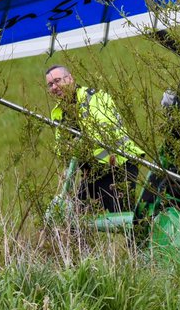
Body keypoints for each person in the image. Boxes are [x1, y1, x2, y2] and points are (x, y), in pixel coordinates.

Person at [45, 65, 145, 214]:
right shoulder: (58, 112)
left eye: (57, 81)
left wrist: (77, 145)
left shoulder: (94, 97)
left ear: (70, 79)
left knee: (122, 215)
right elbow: (61, 149)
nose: (54, 87)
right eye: (50, 85)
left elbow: (105, 132)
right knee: (74, 216)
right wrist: (67, 149)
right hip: (93, 172)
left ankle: (147, 226)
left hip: (118, 165)